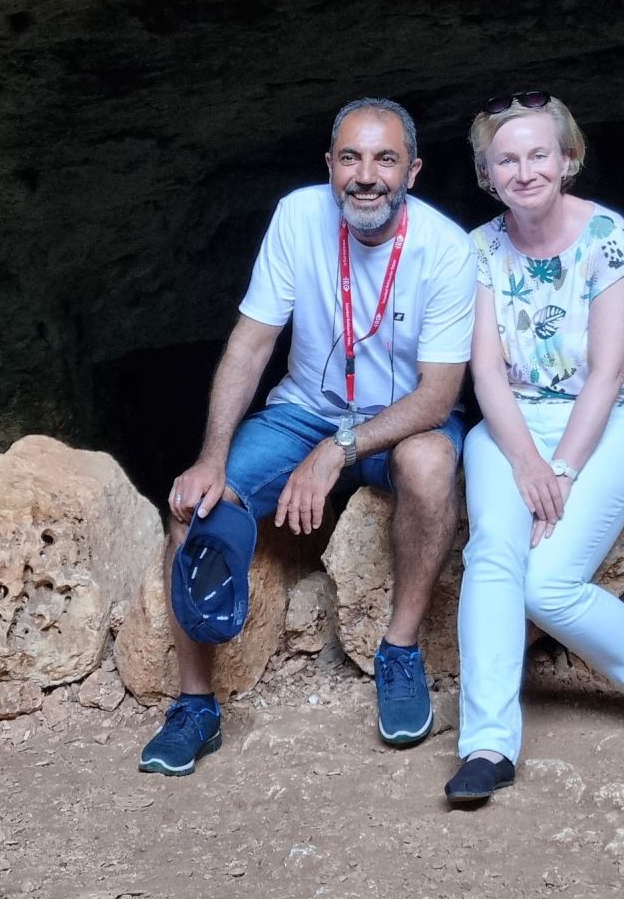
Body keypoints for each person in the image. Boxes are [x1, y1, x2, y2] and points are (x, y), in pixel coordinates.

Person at [139, 98, 476, 776]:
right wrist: (210, 460)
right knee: (197, 508)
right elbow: (250, 344)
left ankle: (401, 651)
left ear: (413, 170)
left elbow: (438, 396)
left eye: (385, 159)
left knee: (433, 463)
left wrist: (341, 450)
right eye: (350, 157)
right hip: (305, 413)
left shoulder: (447, 250)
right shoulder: (299, 216)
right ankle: (197, 707)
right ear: (329, 166)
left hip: (400, 419)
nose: (366, 175)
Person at [445, 91, 624, 804]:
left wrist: (561, 472)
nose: (524, 171)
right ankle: (488, 746)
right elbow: (487, 370)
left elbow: (610, 371)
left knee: (547, 582)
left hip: (608, 418)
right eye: (507, 160)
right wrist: (526, 462)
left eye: (538, 154)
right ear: (487, 173)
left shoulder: (607, 236)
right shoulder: (479, 249)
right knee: (494, 552)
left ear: (567, 158)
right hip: (511, 424)